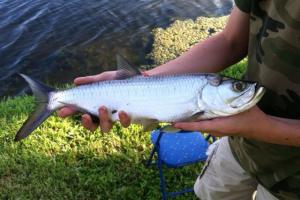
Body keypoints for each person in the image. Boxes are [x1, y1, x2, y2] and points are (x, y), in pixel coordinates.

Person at [58, 0, 300, 199]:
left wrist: (264, 128)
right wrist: (143, 79)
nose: (247, 89)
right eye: (238, 87)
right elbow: (231, 41)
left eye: (237, 87)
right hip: (240, 148)